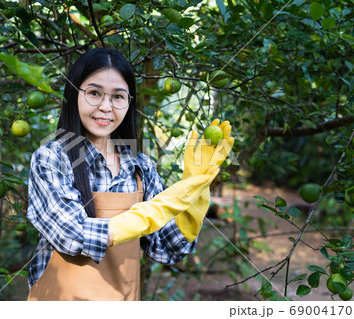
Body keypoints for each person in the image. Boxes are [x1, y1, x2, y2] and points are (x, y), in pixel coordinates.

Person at [26, 48, 234, 301]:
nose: (105, 107)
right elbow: (72, 235)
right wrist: (155, 210)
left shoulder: (140, 167)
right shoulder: (52, 158)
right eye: (94, 93)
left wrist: (196, 187)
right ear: (74, 94)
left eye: (118, 96)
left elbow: (170, 248)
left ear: (129, 102)